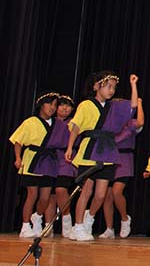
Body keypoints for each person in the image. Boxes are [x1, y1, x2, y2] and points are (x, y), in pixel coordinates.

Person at [65, 72, 139, 241]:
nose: (111, 90)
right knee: (86, 191)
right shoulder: (86, 105)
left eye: (114, 87)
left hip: (108, 151)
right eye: (108, 86)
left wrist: (133, 84)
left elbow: (133, 106)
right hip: (90, 149)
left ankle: (89, 218)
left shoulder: (114, 106)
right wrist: (70, 147)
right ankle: (77, 226)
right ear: (96, 86)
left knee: (100, 194)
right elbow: (76, 127)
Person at [10, 92, 61, 238]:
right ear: (41, 105)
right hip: (33, 159)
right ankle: (25, 225)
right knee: (32, 195)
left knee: (45, 197)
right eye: (49, 104)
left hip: (49, 162)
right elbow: (18, 141)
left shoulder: (57, 125)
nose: (52, 107)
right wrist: (18, 158)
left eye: (54, 105)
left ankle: (37, 217)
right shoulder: (30, 122)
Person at [99, 98, 144, 239]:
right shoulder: (109, 123)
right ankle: (109, 228)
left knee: (117, 191)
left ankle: (125, 219)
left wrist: (139, 103)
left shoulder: (130, 123)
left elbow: (141, 122)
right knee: (107, 195)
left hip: (124, 160)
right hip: (109, 158)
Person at [44, 94, 76, 238]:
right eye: (61, 104)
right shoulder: (48, 122)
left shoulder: (74, 124)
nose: (64, 108)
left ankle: (67, 219)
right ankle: (48, 225)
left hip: (66, 159)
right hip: (50, 159)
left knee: (61, 189)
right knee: (50, 195)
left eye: (68, 105)